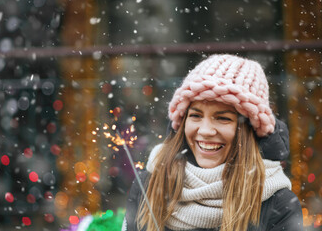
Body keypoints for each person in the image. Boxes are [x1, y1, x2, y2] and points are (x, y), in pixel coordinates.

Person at [123, 54, 303, 231]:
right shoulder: (148, 185)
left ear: (249, 129)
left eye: (223, 118)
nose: (205, 131)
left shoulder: (278, 203)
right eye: (195, 115)